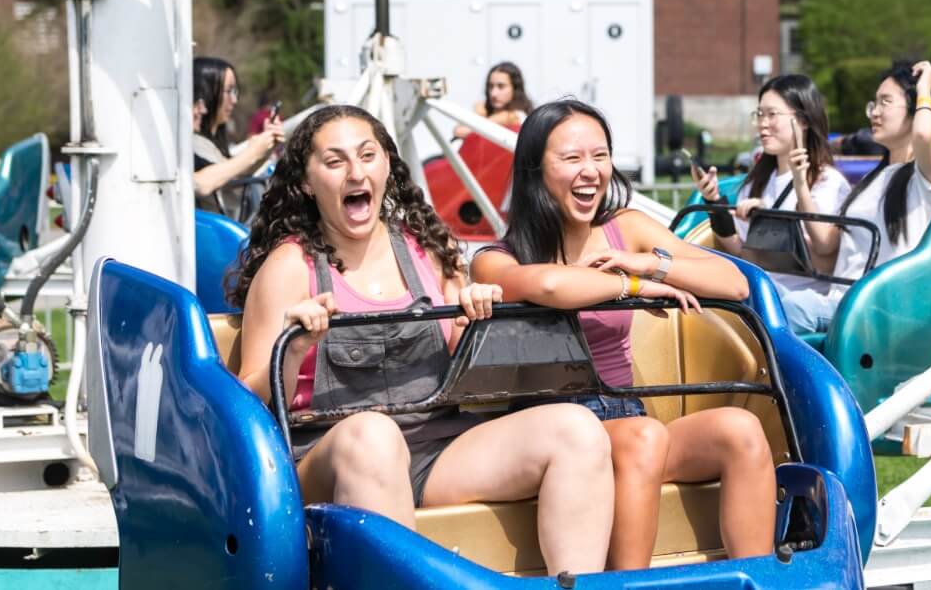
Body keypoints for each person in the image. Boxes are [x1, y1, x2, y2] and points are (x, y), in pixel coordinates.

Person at [228, 104, 615, 576]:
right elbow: (244, 401)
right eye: (335, 162)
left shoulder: (425, 250)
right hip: (331, 455)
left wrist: (476, 320)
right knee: (374, 435)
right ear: (307, 183)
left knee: (577, 429)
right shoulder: (290, 267)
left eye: (367, 155)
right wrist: (292, 351)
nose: (356, 171)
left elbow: (462, 365)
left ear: (387, 165)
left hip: (435, 451)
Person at [471, 100, 775, 570]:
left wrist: (652, 263)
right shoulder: (497, 258)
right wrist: (632, 287)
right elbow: (552, 285)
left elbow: (735, 282)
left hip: (629, 413)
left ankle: (760, 579)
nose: (590, 171)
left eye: (600, 155)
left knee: (740, 430)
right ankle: (628, 584)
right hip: (559, 435)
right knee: (643, 437)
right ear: (535, 169)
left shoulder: (626, 230)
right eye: (572, 158)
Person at [798, 61, 931, 334]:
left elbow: (923, 133)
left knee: (792, 310)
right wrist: (800, 186)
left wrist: (925, 86)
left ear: (914, 107)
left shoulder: (928, 177)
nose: (875, 113)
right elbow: (827, 248)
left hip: (878, 311)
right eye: (873, 104)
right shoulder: (872, 181)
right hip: (842, 304)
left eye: (885, 102)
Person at [690, 75, 851, 322]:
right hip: (759, 293)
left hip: (800, 301)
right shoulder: (757, 182)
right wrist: (715, 204)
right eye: (759, 115)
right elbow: (745, 254)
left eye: (772, 114)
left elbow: (824, 256)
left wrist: (771, 219)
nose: (763, 124)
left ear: (803, 120)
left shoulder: (827, 181)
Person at [192, 56, 284, 219]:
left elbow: (232, 176)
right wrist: (253, 152)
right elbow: (202, 182)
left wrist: (266, 148)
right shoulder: (191, 144)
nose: (234, 100)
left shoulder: (209, 144)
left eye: (235, 92)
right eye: (228, 91)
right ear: (205, 92)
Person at [454, 62, 533, 139]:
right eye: (491, 86)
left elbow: (460, 131)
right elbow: (457, 129)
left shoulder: (516, 115)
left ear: (515, 88)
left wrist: (479, 115)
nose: (493, 93)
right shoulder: (487, 112)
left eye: (501, 86)